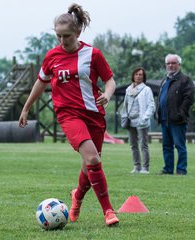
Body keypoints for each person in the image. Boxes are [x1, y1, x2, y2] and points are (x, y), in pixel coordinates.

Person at [18, 3, 119, 226]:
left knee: (89, 163)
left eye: (67, 36)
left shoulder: (93, 54)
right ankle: (108, 211)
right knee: (92, 158)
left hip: (94, 114)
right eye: (59, 36)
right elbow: (40, 83)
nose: (62, 41)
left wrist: (109, 95)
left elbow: (110, 80)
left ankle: (77, 197)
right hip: (68, 115)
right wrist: (26, 108)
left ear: (78, 32)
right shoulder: (52, 56)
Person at [157, 54, 195, 175]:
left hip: (177, 120)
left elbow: (189, 98)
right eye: (168, 63)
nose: (171, 65)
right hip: (164, 119)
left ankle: (181, 169)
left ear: (179, 64)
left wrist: (181, 113)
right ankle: (168, 169)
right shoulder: (164, 80)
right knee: (166, 146)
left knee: (180, 146)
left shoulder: (185, 80)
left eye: (173, 63)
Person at [122, 67, 155, 174]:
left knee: (143, 145)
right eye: (136, 74)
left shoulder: (146, 90)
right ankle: (137, 167)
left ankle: (145, 168)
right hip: (130, 120)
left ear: (144, 77)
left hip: (141, 121)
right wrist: (124, 116)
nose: (138, 76)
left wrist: (145, 117)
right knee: (133, 145)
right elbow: (125, 105)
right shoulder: (128, 89)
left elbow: (151, 106)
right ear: (133, 76)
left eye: (141, 74)